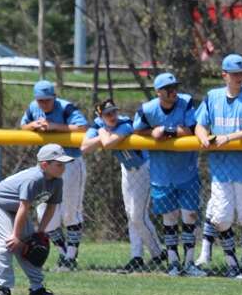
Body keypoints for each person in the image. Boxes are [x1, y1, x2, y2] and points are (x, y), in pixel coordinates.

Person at [194, 53, 242, 278]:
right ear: (224, 75)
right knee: (221, 218)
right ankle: (230, 260)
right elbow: (199, 124)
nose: (239, 77)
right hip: (221, 166)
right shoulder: (212, 96)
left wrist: (230, 137)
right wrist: (203, 136)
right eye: (235, 74)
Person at [133, 72, 206, 277]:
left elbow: (192, 129)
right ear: (158, 92)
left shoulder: (186, 103)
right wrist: (151, 133)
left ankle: (189, 262)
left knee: (189, 216)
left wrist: (166, 130)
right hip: (161, 174)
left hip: (187, 171)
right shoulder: (147, 109)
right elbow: (136, 131)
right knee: (170, 218)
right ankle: (173, 263)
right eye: (168, 89)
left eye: (175, 87)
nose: (174, 92)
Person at [0, 142, 70, 295]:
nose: (63, 167)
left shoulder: (57, 181)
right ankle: (4, 291)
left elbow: (51, 208)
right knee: (6, 245)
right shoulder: (34, 179)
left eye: (64, 163)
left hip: (17, 210)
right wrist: (15, 236)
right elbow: (24, 207)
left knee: (33, 248)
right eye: (59, 164)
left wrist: (40, 232)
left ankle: (37, 290)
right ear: (44, 164)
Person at [80, 98, 162, 273]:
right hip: (127, 170)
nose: (112, 116)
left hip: (143, 169)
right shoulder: (98, 126)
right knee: (130, 215)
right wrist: (102, 133)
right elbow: (84, 147)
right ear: (100, 116)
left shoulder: (125, 124)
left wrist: (102, 133)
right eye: (107, 114)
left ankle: (158, 254)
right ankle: (136, 256)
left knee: (138, 216)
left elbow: (109, 143)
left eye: (114, 112)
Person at [20, 80, 88, 271]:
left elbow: (82, 127)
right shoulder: (34, 107)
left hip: (70, 162)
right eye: (41, 100)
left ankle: (71, 258)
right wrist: (34, 125)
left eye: (47, 101)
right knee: (44, 212)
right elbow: (23, 125)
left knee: (70, 212)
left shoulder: (65, 107)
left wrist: (54, 126)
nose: (43, 104)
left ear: (54, 98)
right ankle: (64, 253)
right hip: (46, 165)